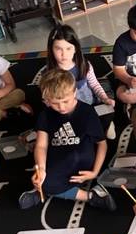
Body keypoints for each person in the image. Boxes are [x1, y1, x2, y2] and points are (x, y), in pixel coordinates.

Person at [18, 69, 116, 211]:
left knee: (51, 181)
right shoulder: (45, 115)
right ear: (46, 100)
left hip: (81, 157)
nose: (61, 107)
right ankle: (89, 196)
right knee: (43, 179)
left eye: (66, 101)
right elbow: (41, 146)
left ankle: (46, 191)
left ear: (75, 92)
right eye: (55, 103)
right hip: (58, 155)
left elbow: (101, 143)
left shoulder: (87, 112)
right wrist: (42, 169)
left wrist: (95, 171)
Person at [45, 25, 116, 139]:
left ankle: (106, 125)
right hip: (66, 109)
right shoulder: (49, 73)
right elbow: (47, 98)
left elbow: (94, 84)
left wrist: (104, 98)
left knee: (109, 107)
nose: (64, 54)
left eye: (68, 48)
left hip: (90, 104)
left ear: (75, 49)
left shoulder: (84, 65)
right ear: (51, 49)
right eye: (58, 49)